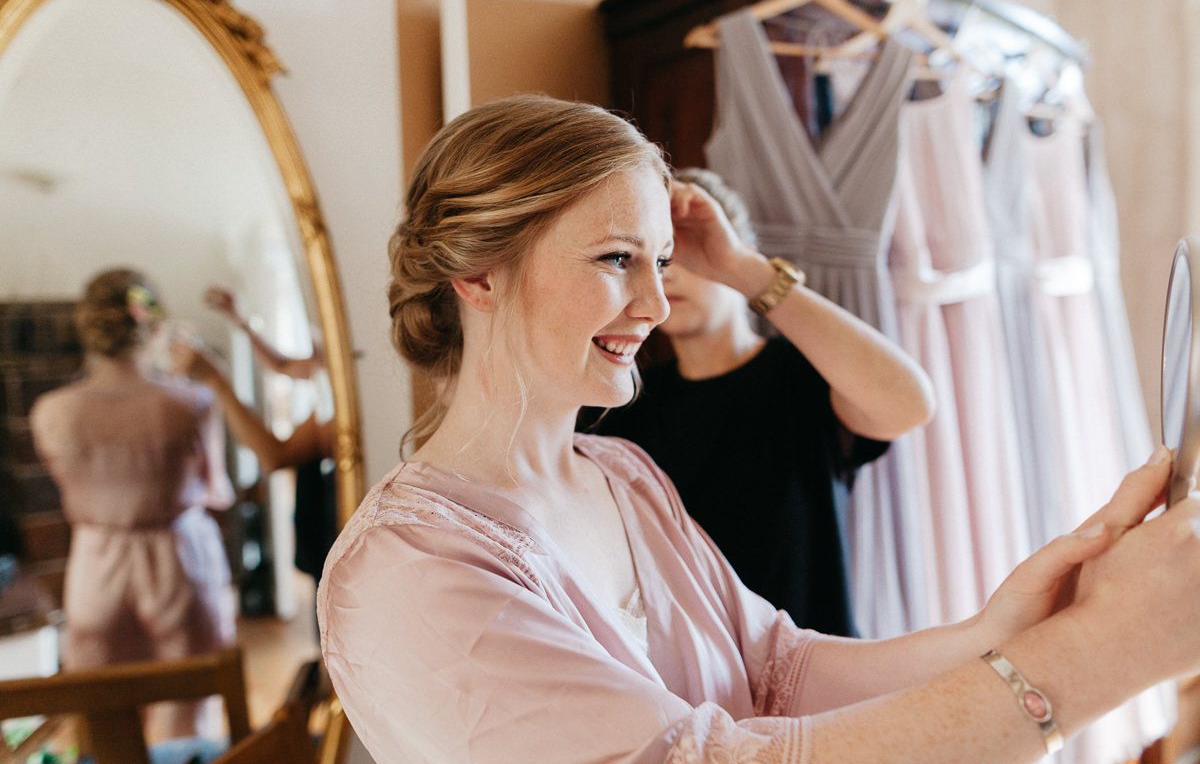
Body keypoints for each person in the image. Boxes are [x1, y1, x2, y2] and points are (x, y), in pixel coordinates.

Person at [319, 94, 1200, 763]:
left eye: (661, 262)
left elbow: (775, 668)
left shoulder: (624, 477)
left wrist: (995, 633)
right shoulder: (408, 574)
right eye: (616, 258)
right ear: (477, 273)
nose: (658, 302)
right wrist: (1086, 663)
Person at [589, 167, 933, 637]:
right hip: (693, 680)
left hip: (817, 667)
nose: (667, 276)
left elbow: (909, 404)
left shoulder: (801, 376)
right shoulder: (622, 401)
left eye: (679, 252)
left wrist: (741, 268)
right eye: (652, 259)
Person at [30, 269, 235, 738]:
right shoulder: (192, 402)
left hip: (96, 564)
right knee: (185, 710)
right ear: (154, 326)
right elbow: (217, 491)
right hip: (179, 559)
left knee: (104, 709)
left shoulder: (50, 412)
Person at [171, 288, 337, 588]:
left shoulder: (344, 393)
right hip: (317, 529)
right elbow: (280, 365)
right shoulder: (327, 368)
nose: (311, 341)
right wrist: (241, 320)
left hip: (331, 531)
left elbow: (275, 456)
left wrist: (217, 379)